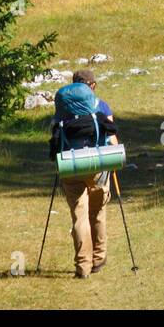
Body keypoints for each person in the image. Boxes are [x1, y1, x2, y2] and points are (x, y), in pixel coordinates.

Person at [49, 69, 118, 279]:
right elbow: (112, 138)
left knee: (79, 216)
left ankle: (83, 266)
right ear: (92, 86)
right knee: (97, 212)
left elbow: (54, 138)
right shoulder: (101, 106)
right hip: (97, 165)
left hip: (70, 166)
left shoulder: (62, 111)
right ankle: (99, 258)